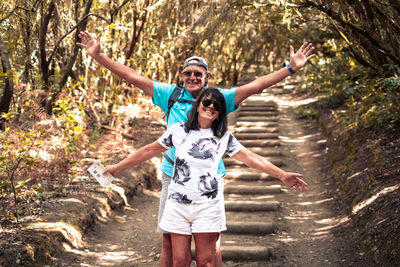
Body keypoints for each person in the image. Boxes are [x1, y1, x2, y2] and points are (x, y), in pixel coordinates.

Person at [76, 31, 315, 267]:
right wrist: (99, 56)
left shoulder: (219, 99)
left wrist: (290, 69)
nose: (193, 77)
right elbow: (132, 77)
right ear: (181, 76)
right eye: (188, 73)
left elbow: (256, 86)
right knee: (169, 241)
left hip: (210, 179)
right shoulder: (169, 96)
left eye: (198, 74)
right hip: (174, 176)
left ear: (206, 76)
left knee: (211, 246)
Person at [104, 88, 308, 267]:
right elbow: (149, 150)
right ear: (198, 104)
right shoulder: (178, 131)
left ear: (221, 113)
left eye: (217, 105)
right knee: (180, 261)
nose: (211, 106)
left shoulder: (224, 138)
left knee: (206, 262)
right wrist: (117, 167)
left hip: (207, 208)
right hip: (177, 205)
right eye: (207, 101)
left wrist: (282, 175)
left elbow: (250, 158)